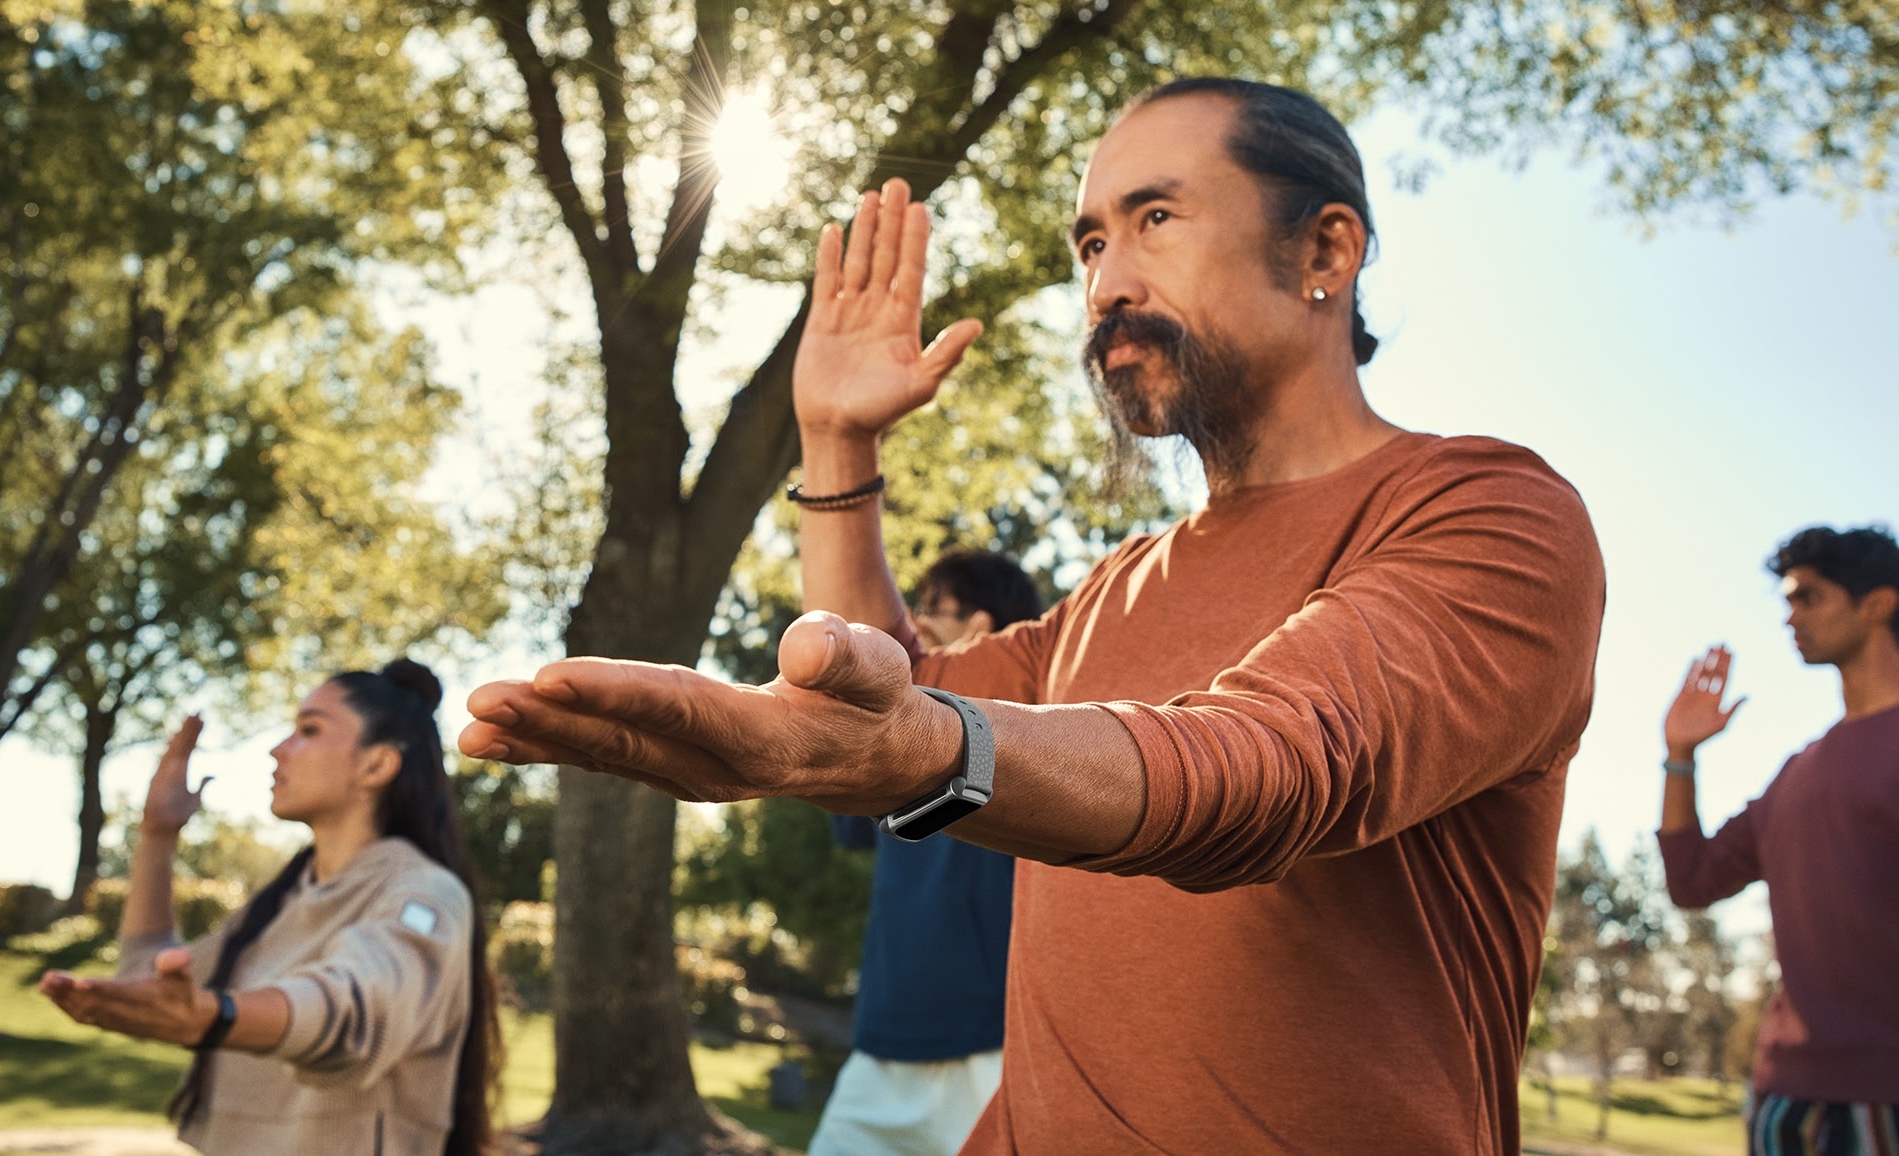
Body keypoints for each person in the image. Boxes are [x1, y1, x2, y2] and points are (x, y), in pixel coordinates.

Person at [460, 77, 1606, 1152]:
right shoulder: (1111, 590)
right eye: (1090, 242)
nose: (1105, 282)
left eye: (1154, 218)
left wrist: (918, 751)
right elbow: (877, 701)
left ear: (1323, 248)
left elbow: (1270, 767)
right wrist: (837, 443)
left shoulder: (1489, 515)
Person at [41, 660, 499, 1156]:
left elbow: (354, 1010)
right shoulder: (279, 904)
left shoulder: (425, 894)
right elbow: (146, 979)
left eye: (308, 729)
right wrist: (156, 836)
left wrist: (219, 1017)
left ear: (376, 764)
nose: (278, 749)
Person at [1658, 525, 1899, 1153]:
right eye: (1786, 600)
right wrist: (1680, 757)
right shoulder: (1798, 771)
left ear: (1877, 604)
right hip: (1783, 1098)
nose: (1789, 617)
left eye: (1809, 598)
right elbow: (1692, 881)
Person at [811, 549, 1040, 1156]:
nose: (912, 622)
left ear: (981, 625)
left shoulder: (1043, 743)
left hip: (990, 1052)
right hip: (882, 1046)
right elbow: (851, 825)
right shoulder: (892, 747)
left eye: (930, 608)